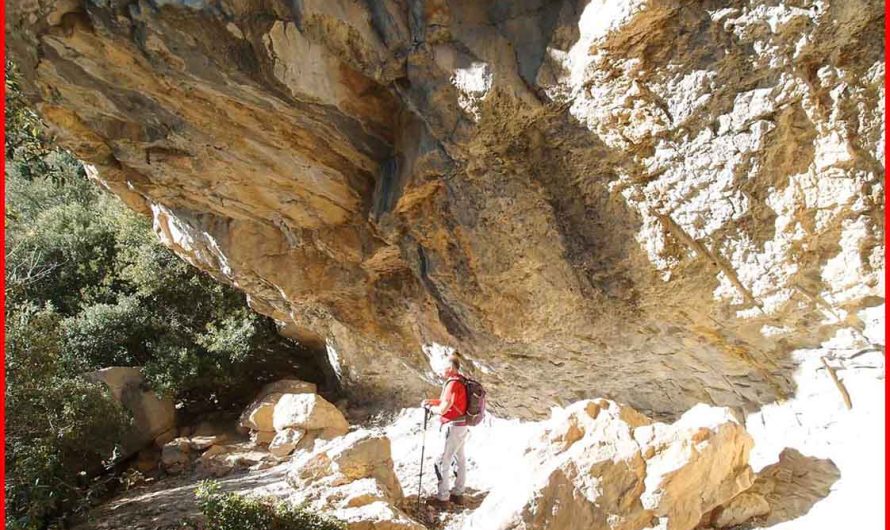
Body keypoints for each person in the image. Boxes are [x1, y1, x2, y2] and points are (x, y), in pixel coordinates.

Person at [421, 353, 469, 508]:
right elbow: (449, 402)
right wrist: (432, 401)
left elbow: (443, 408)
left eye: (443, 368)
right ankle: (458, 494)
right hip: (462, 425)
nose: (440, 371)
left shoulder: (452, 384)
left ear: (449, 368)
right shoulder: (461, 381)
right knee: (460, 459)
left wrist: (430, 408)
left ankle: (443, 499)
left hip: (452, 427)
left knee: (442, 461)